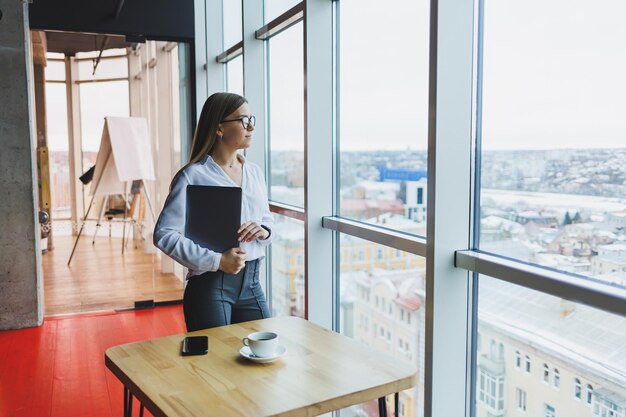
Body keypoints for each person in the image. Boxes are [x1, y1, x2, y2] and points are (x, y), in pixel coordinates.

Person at [153, 92, 273, 331]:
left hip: (252, 284)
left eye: (252, 120)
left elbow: (267, 219)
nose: (251, 127)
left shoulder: (255, 172)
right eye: (243, 120)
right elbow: (164, 234)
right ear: (219, 128)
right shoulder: (193, 176)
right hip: (210, 287)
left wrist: (264, 231)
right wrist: (218, 261)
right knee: (214, 366)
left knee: (262, 358)